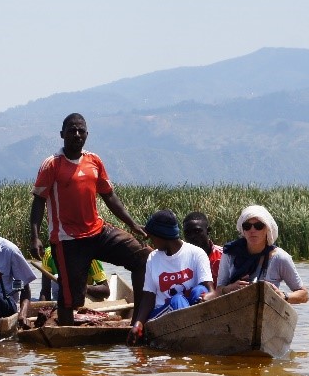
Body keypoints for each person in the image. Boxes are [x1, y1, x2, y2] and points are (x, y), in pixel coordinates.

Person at [29, 113, 151, 325]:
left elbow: (109, 195)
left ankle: (137, 323)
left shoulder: (94, 161)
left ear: (87, 134)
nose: (77, 134)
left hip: (98, 232)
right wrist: (35, 237)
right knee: (70, 300)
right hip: (68, 241)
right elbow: (39, 201)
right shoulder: (52, 165)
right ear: (62, 134)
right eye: (72, 131)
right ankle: (67, 348)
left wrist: (132, 224)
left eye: (81, 131)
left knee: (143, 258)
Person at [127, 210, 215, 345]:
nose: (152, 241)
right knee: (177, 300)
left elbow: (209, 289)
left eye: (153, 237)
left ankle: (193, 335)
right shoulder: (153, 257)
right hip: (162, 313)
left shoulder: (196, 254)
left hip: (190, 310)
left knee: (199, 290)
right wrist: (138, 323)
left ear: (162, 236)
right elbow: (148, 297)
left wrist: (208, 296)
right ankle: (192, 340)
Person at [216, 205, 309, 304]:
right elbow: (218, 290)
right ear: (243, 230)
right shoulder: (230, 253)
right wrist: (228, 289)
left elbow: (304, 295)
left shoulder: (280, 258)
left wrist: (283, 295)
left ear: (267, 229)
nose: (252, 230)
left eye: (258, 226)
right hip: (235, 307)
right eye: (247, 226)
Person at [38, 246, 110, 302]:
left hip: (83, 295)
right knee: (57, 277)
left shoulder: (90, 257)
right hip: (61, 296)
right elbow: (45, 290)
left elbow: (106, 291)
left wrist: (83, 287)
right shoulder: (49, 254)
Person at [182, 211, 223, 285]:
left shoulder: (223, 256)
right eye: (187, 233)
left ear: (208, 231)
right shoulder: (180, 259)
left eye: (197, 231)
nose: (192, 236)